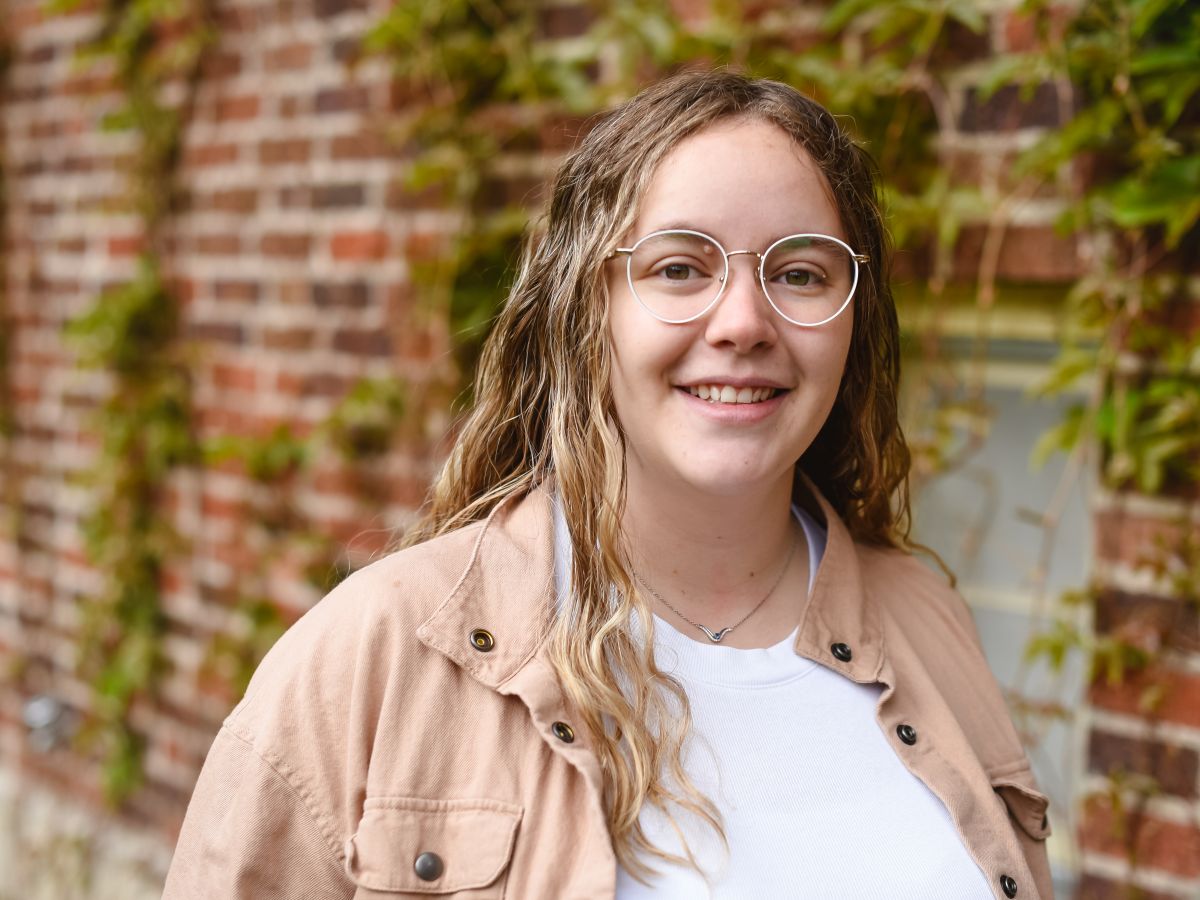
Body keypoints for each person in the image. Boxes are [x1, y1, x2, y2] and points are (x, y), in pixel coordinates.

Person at [162, 69, 1054, 899]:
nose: (744, 321)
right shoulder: (380, 655)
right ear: (587, 310)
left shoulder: (927, 620)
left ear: (851, 321)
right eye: (678, 268)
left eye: (799, 272)